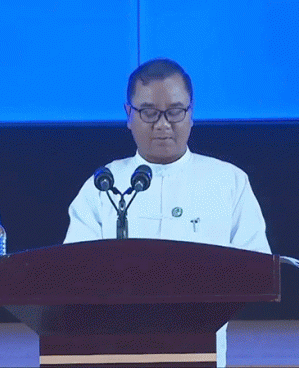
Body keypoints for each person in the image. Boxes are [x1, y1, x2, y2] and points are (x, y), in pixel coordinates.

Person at [63, 58, 271, 367]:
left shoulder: (227, 181)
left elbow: (257, 267)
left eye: (174, 111)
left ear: (191, 113)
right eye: (148, 112)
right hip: (114, 351)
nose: (162, 124)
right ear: (128, 115)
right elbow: (72, 270)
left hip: (202, 353)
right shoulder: (104, 184)